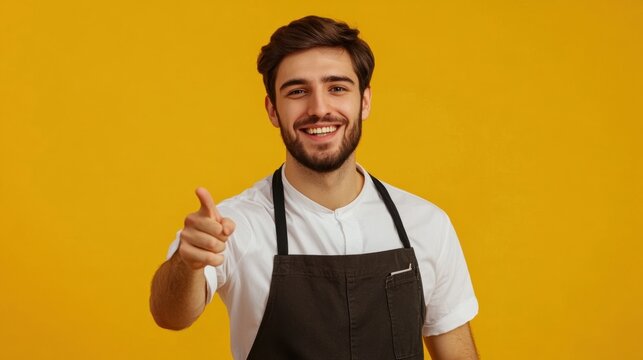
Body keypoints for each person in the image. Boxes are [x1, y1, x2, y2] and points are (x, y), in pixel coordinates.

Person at [150, 15, 479, 360]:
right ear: (273, 110)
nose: (319, 109)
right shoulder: (233, 225)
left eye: (337, 88)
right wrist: (187, 264)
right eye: (297, 91)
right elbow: (169, 315)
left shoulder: (426, 223)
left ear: (364, 101)